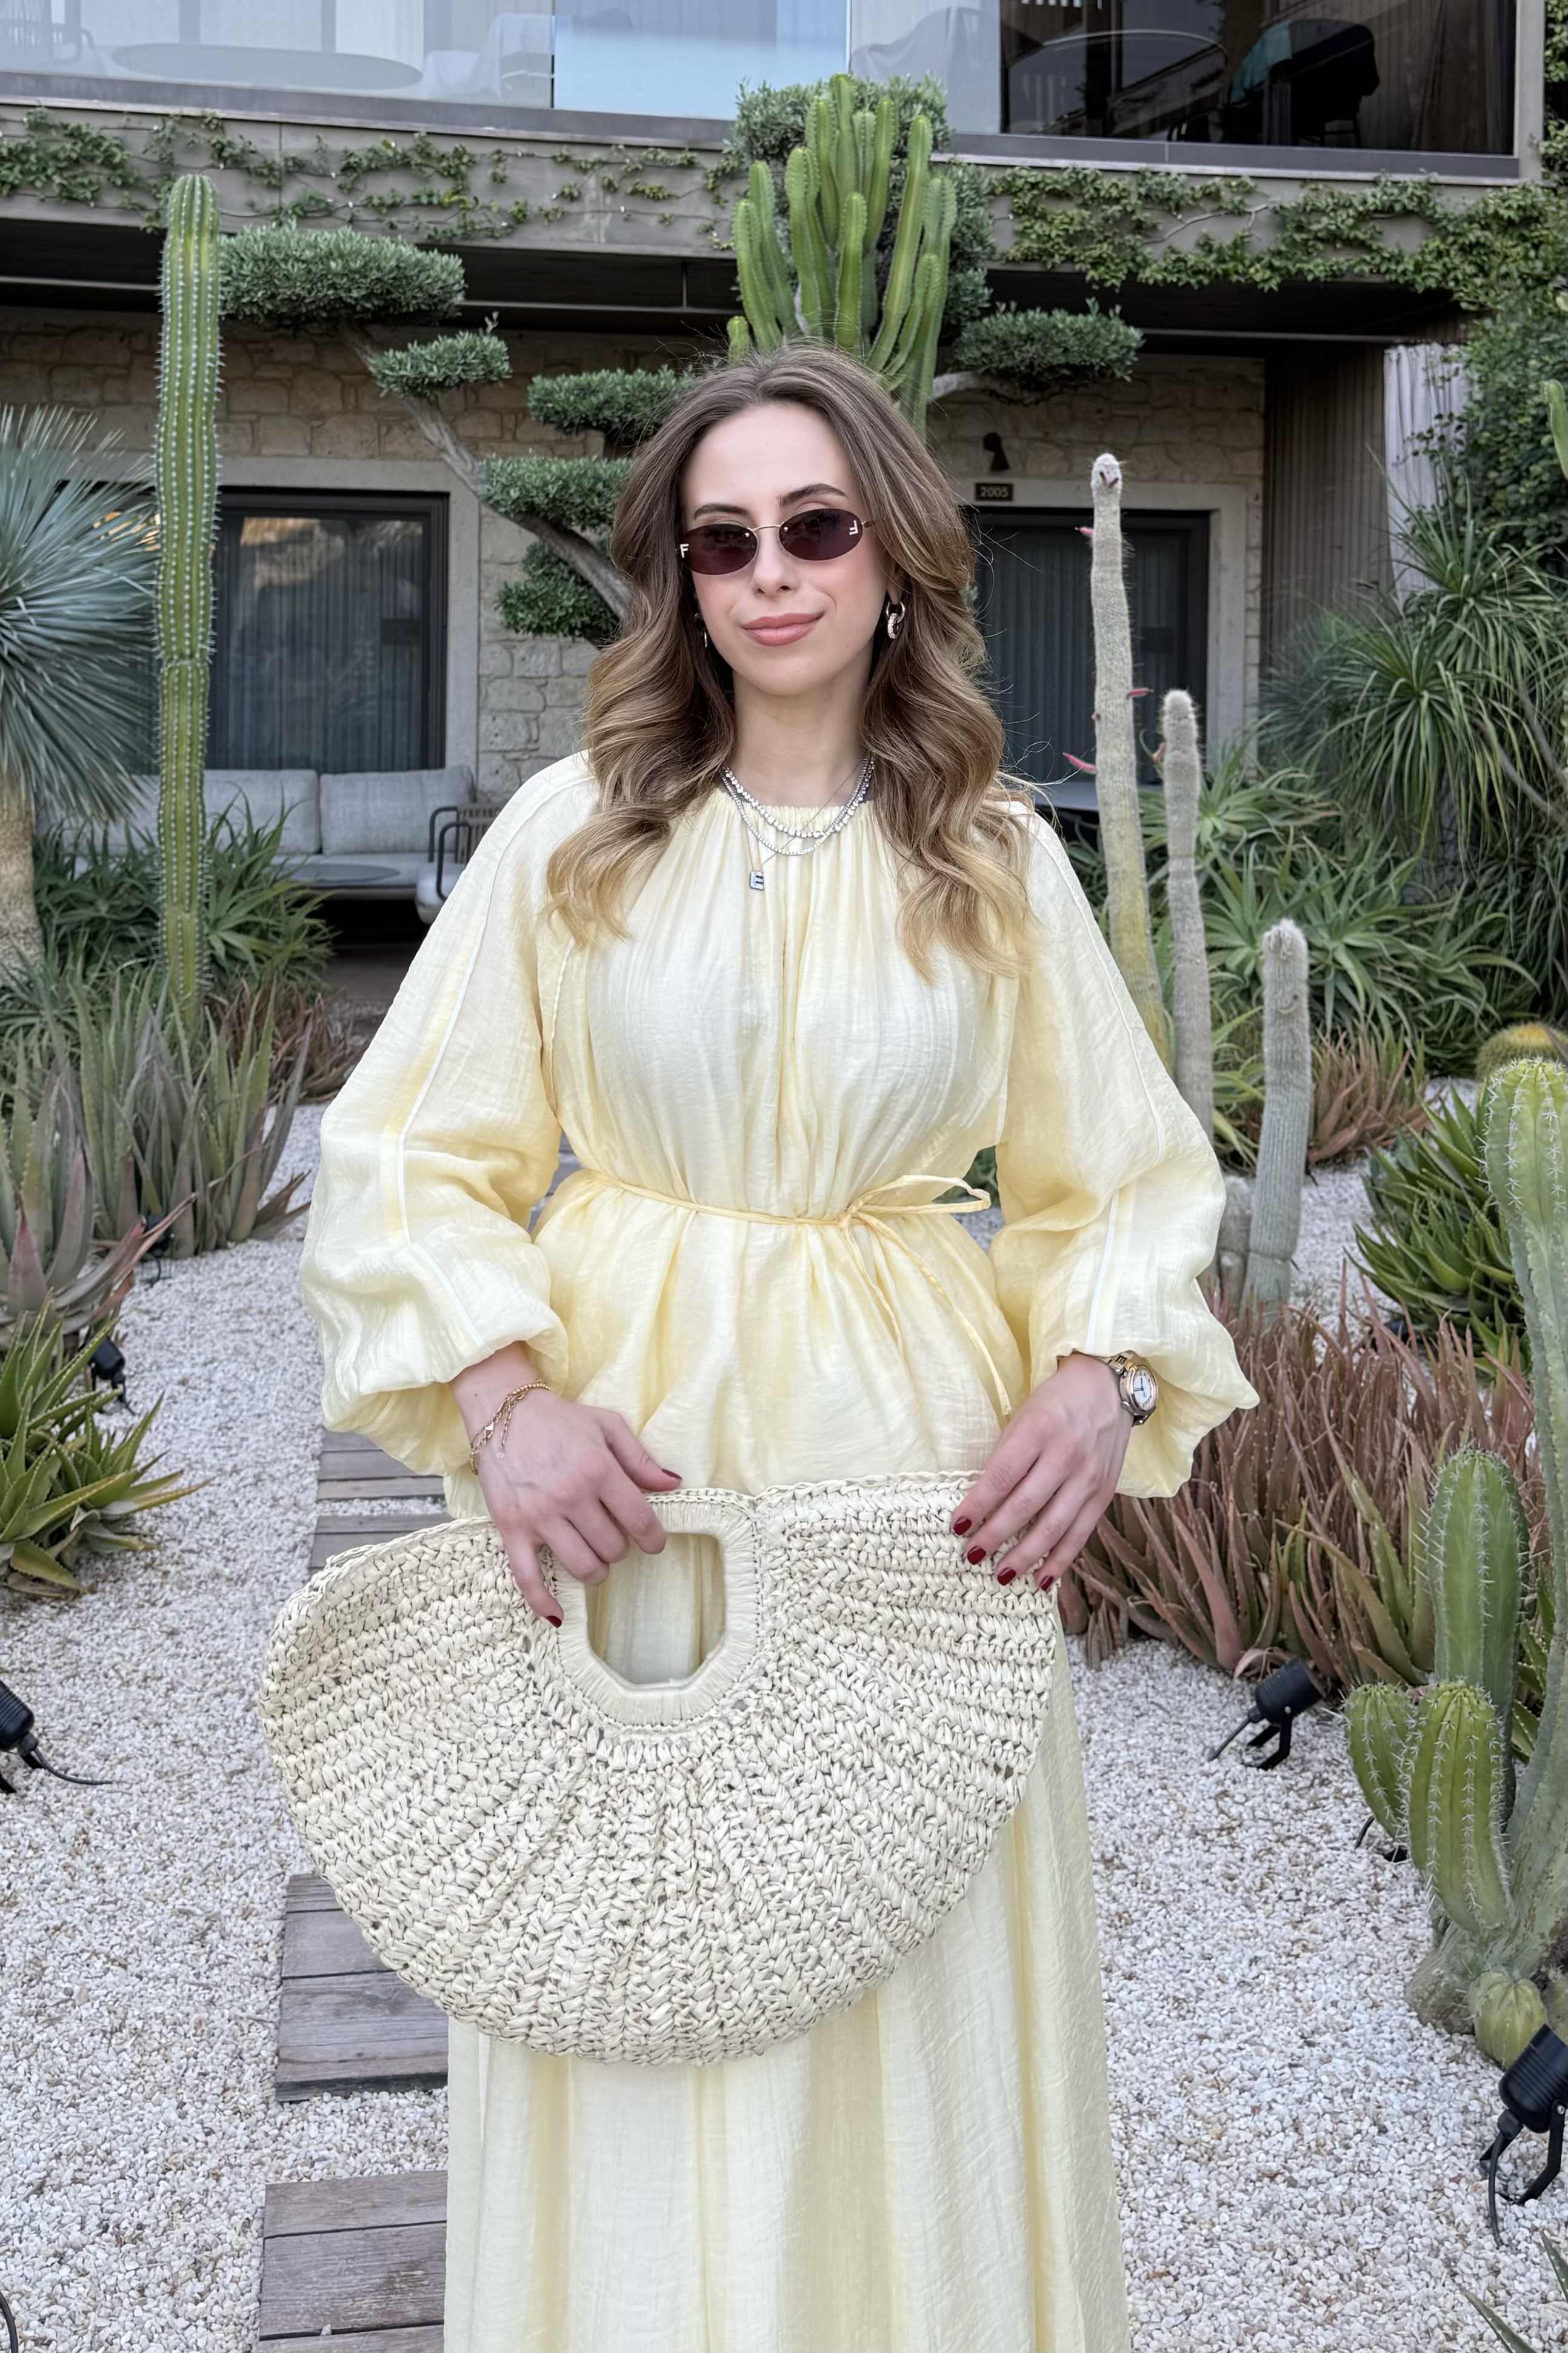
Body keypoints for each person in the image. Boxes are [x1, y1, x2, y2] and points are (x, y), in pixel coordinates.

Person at [299, 342, 1257, 2353]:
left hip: (907, 1475)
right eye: (719, 540)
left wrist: (1095, 1377)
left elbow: (1125, 1176)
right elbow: (402, 1156)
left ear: (890, 554)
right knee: (632, 1920)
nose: (769, 575)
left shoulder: (991, 854)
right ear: (679, 577)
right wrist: (504, 1403)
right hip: (630, 1473)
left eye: (814, 526)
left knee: (899, 1945)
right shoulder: (575, 834)